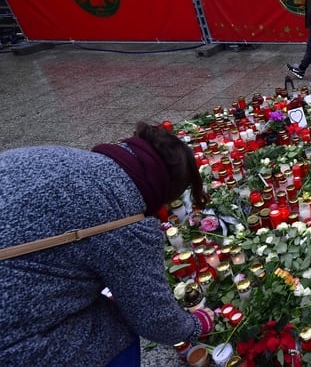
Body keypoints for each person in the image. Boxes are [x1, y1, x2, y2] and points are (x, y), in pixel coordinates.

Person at [0, 122, 214, 366]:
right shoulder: (123, 218)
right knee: (113, 332)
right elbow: (153, 318)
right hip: (12, 333)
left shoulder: (74, 158)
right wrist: (193, 326)